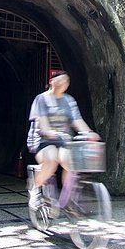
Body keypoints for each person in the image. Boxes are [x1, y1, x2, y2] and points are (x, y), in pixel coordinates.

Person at [27, 71, 99, 210]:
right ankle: (35, 188)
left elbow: (77, 121)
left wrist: (89, 133)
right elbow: (42, 122)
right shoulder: (41, 99)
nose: (62, 84)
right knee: (51, 159)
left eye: (66, 82)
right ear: (51, 82)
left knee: (71, 162)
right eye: (59, 81)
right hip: (42, 141)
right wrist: (48, 131)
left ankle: (68, 198)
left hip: (63, 140)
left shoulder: (69, 100)